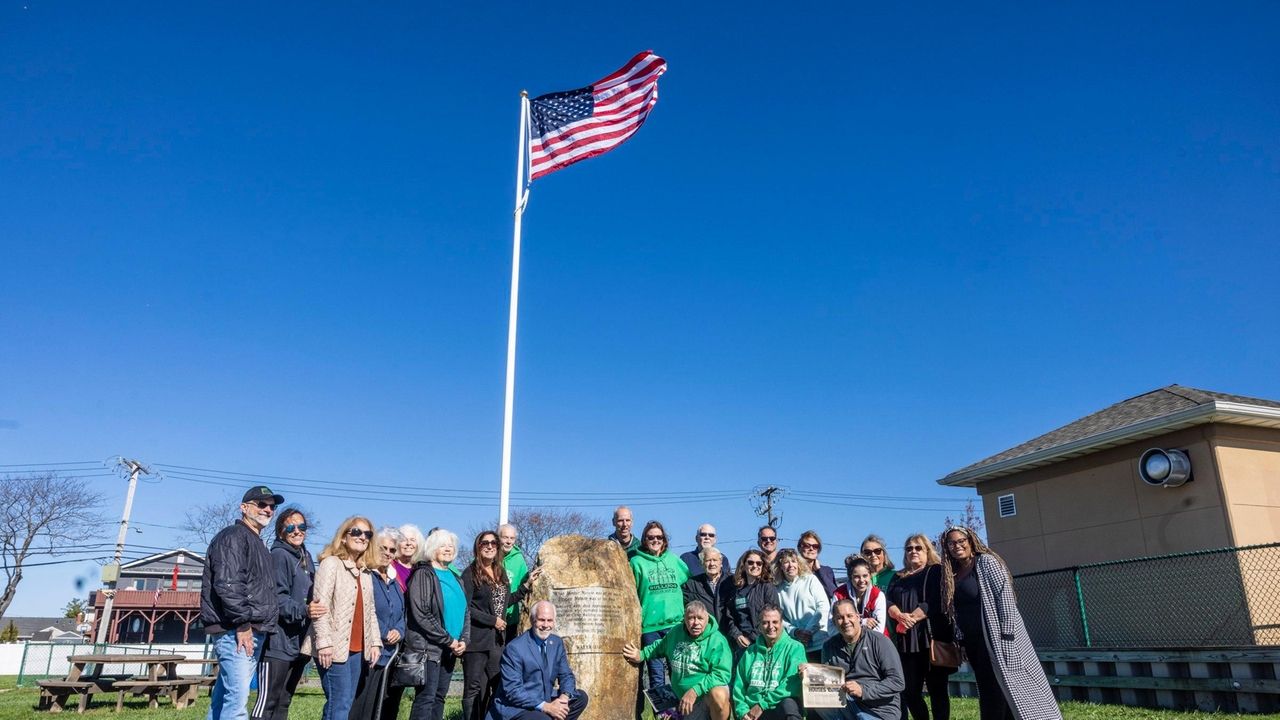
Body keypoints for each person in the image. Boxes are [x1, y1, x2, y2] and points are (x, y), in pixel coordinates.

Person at [941, 527, 1060, 720]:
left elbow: (1004, 598)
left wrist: (1007, 634)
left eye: (961, 541)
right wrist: (961, 641)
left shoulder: (986, 563)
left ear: (971, 541)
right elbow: (956, 611)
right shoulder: (952, 574)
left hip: (998, 639)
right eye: (951, 543)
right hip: (974, 643)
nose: (957, 546)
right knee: (988, 688)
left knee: (1008, 687)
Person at [202, 486, 282, 720]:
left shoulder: (256, 542)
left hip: (250, 629)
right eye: (261, 504)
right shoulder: (233, 536)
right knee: (237, 702)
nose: (267, 510)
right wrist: (243, 624)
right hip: (235, 631)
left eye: (272, 506)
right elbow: (228, 583)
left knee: (224, 698)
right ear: (244, 507)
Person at [306, 516, 382, 720]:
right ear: (343, 537)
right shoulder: (331, 564)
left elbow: (370, 611)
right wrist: (323, 643)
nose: (362, 537)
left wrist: (374, 642)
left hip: (357, 648)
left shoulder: (365, 572)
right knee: (338, 703)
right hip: (333, 647)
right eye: (356, 532)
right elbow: (319, 607)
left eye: (367, 534)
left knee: (345, 701)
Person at [252, 507, 325, 720]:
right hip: (277, 643)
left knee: (284, 701)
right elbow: (277, 598)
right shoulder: (279, 555)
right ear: (281, 531)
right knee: (268, 702)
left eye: (301, 526)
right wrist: (305, 610)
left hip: (299, 642)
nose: (297, 531)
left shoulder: (305, 556)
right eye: (290, 527)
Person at [462, 530, 534, 720]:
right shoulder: (470, 573)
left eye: (494, 543)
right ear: (478, 546)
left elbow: (504, 602)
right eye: (485, 543)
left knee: (498, 685)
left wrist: (525, 586)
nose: (489, 546)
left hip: (496, 642)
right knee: (474, 688)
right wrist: (492, 621)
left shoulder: (499, 572)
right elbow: (466, 608)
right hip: (476, 642)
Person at [623, 601, 732, 720]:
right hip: (681, 702)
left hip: (703, 701)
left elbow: (721, 674)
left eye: (700, 618)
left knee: (719, 693)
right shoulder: (676, 632)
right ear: (684, 618)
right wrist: (641, 654)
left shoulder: (717, 640)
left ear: (707, 618)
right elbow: (660, 646)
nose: (696, 623)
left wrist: (695, 691)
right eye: (691, 618)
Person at [405, 528, 471, 720]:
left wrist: (464, 640)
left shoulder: (455, 577)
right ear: (433, 548)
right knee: (426, 698)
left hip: (451, 649)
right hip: (430, 648)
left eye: (451, 546)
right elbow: (422, 613)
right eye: (443, 545)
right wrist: (448, 639)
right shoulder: (424, 574)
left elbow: (465, 612)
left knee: (440, 697)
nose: (448, 549)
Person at [487, 600, 590, 720]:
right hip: (517, 706)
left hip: (544, 697)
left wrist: (564, 698)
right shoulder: (515, 648)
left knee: (581, 697)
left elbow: (566, 675)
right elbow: (513, 692)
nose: (546, 625)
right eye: (541, 620)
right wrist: (546, 707)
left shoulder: (556, 643)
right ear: (532, 620)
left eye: (549, 620)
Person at [885, 534, 949, 720]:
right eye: (909, 548)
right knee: (910, 691)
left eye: (918, 548)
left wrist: (911, 618)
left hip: (929, 638)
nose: (913, 551)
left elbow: (936, 600)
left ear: (927, 550)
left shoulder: (935, 571)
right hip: (906, 640)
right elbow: (887, 600)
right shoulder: (898, 576)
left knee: (938, 691)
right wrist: (898, 615)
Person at [810, 598, 905, 720]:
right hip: (845, 703)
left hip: (879, 709)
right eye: (840, 618)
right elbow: (828, 682)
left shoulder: (879, 641)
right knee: (814, 701)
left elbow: (897, 681)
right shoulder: (829, 646)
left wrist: (863, 691)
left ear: (858, 617)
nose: (846, 621)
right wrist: (810, 673)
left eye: (849, 616)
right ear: (834, 621)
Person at [350, 527, 408, 720]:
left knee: (380, 706)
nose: (387, 553)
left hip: (390, 653)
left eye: (392, 550)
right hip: (368, 650)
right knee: (361, 706)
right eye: (383, 548)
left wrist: (399, 630)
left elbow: (402, 612)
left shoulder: (394, 580)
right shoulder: (366, 575)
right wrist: (383, 632)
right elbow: (366, 610)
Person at [631, 521, 692, 701]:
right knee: (656, 677)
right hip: (650, 627)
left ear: (664, 540)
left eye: (659, 537)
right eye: (651, 537)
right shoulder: (636, 562)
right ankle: (664, 715)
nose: (655, 540)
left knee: (679, 673)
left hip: (675, 625)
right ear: (644, 540)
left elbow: (688, 582)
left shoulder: (673, 559)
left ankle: (683, 713)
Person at [731, 606, 805, 720]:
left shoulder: (795, 648)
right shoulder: (750, 652)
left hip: (778, 707)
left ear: (781, 623)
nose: (771, 627)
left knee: (789, 705)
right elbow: (739, 687)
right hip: (752, 711)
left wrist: (762, 705)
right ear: (759, 626)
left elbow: (791, 685)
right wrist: (742, 711)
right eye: (765, 623)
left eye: (775, 622)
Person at [773, 548, 830, 662]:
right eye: (786, 562)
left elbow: (823, 607)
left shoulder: (810, 579)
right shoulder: (778, 589)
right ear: (780, 566)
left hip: (820, 642)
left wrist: (808, 631)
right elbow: (780, 618)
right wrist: (795, 631)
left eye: (793, 561)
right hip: (796, 645)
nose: (791, 565)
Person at [724, 549, 780, 657]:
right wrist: (737, 635)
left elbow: (772, 617)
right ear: (743, 565)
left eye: (759, 563)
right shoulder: (736, 589)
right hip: (740, 643)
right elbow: (729, 616)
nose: (755, 566)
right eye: (750, 562)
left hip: (762, 642)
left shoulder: (767, 587)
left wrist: (751, 638)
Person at [682, 547, 733, 634]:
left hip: (731, 634)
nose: (712, 563)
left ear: (721, 563)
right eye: (708, 560)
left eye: (715, 560)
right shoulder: (691, 584)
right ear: (702, 563)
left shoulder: (732, 581)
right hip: (706, 634)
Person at [833, 556, 887, 637]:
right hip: (847, 642)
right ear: (850, 577)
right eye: (856, 577)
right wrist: (862, 622)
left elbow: (879, 629)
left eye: (865, 576)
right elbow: (831, 627)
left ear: (870, 576)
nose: (861, 580)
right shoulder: (839, 594)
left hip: (874, 642)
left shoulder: (878, 595)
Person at [499, 523, 532, 641]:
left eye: (512, 538)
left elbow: (527, 582)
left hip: (511, 619)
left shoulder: (519, 559)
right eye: (505, 537)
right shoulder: (490, 556)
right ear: (498, 538)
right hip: (491, 618)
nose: (508, 541)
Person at [797, 530, 838, 599]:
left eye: (815, 546)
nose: (811, 548)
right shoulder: (794, 570)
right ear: (799, 548)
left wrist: (819, 571)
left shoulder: (826, 571)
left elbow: (834, 594)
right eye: (807, 545)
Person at [394, 525, 425, 592]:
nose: (408, 543)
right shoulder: (390, 566)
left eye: (412, 540)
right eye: (404, 540)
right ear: (397, 544)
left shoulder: (420, 568)